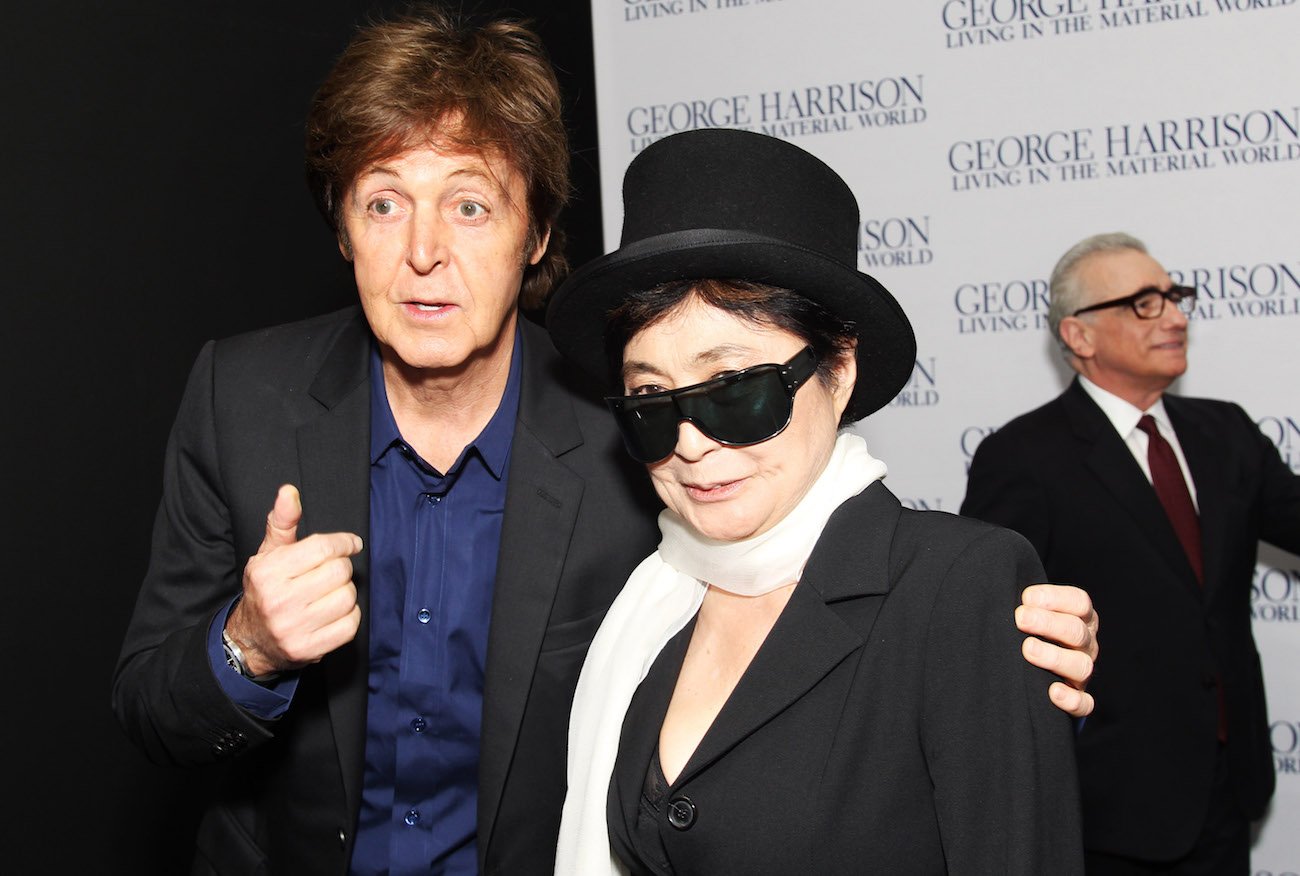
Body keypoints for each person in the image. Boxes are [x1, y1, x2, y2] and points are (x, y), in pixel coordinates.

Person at [112, 7, 1096, 875]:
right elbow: (150, 712)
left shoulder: (629, 430)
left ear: (537, 232)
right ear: (341, 230)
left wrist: (998, 630)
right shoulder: (239, 399)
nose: (423, 250)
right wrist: (249, 648)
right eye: (382, 203)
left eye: (469, 202)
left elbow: (798, 572)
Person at [545, 127, 1085, 875]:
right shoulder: (649, 601)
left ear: (838, 373)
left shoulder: (960, 589)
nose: (692, 443)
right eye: (649, 400)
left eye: (735, 389)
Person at [961, 232, 1300, 874]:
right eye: (1145, 303)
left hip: (1228, 786)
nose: (1175, 316)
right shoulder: (1024, 456)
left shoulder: (1225, 431)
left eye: (1174, 297)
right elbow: (992, 625)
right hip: (1109, 801)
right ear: (1079, 336)